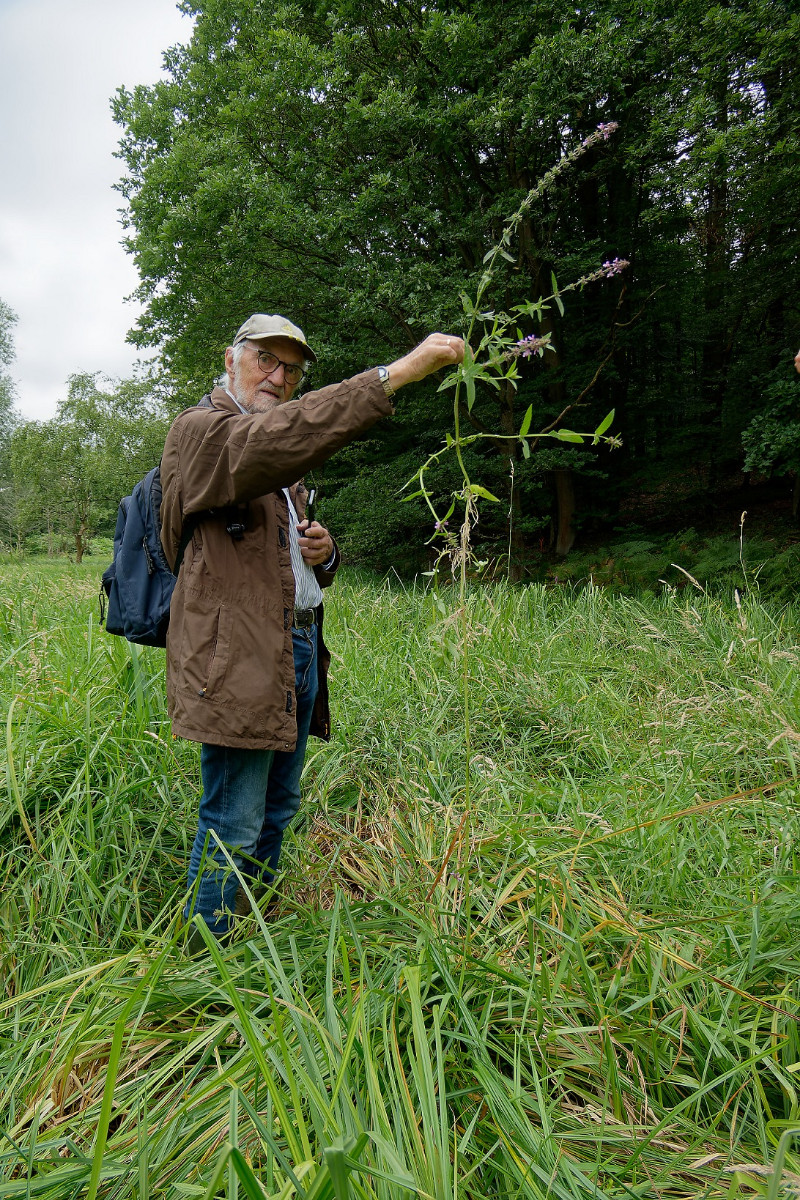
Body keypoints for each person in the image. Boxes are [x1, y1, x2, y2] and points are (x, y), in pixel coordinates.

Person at [159, 313, 464, 941]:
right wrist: (396, 375)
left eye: (291, 368)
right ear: (230, 358)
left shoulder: (281, 462)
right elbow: (274, 442)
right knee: (234, 821)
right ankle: (204, 959)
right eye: (264, 360)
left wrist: (323, 557)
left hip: (294, 646)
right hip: (237, 657)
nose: (277, 376)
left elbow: (275, 559)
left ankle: (252, 933)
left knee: (279, 808)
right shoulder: (204, 434)